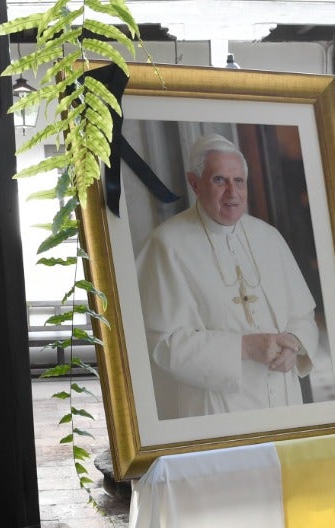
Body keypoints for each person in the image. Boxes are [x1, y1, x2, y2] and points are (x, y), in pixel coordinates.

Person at [136, 133, 322, 418]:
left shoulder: (269, 237)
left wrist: (294, 343)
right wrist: (244, 347)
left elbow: (303, 313)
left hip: (283, 401)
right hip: (217, 410)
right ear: (194, 183)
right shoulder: (166, 245)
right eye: (219, 180)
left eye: (238, 181)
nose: (232, 193)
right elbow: (161, 344)